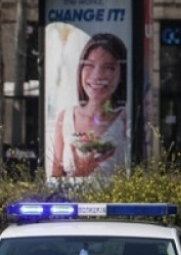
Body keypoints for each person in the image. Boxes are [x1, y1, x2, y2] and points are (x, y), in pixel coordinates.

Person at [51, 33, 128, 178]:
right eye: (89, 65)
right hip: (74, 199)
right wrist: (80, 173)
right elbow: (55, 177)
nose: (97, 75)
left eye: (109, 68)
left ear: (121, 74)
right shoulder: (65, 117)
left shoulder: (126, 118)